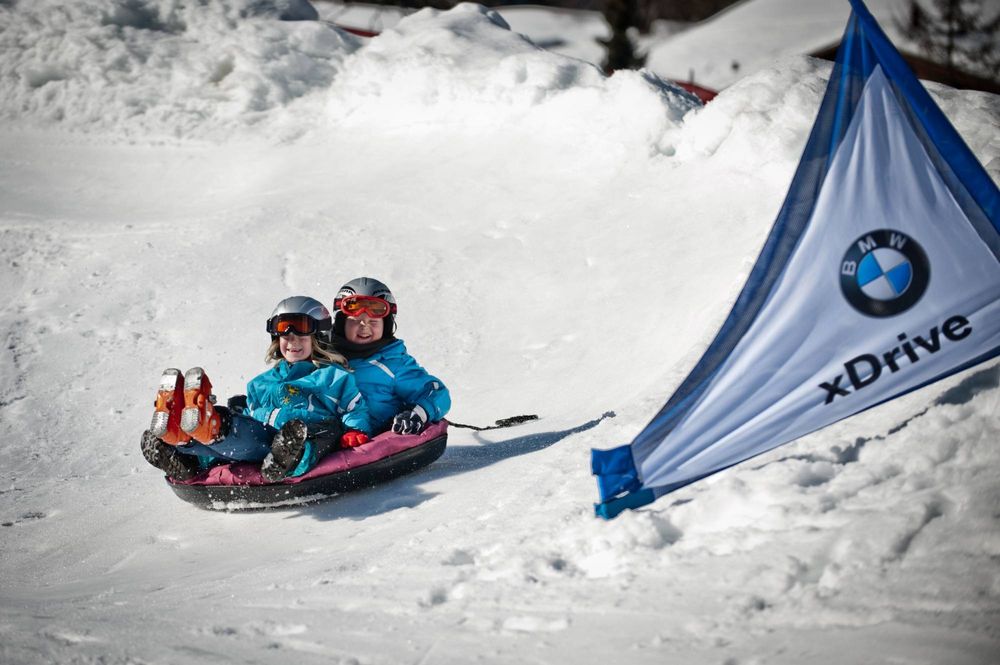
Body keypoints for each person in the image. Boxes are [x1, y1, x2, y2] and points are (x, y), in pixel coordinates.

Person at [140, 296, 373, 484]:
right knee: (237, 426)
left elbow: (354, 407)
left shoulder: (333, 376)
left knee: (326, 429)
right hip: (265, 436)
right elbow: (251, 417)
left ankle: (291, 459)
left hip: (304, 434)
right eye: (284, 331)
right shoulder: (260, 383)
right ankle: (184, 443)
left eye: (301, 330)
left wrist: (355, 430)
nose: (291, 339)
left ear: (319, 335)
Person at [330, 277, 451, 435]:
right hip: (327, 435)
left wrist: (418, 413)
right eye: (356, 321)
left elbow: (435, 392)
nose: (364, 327)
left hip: (375, 438)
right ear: (341, 323)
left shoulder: (394, 363)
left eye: (373, 322)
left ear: (386, 326)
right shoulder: (324, 357)